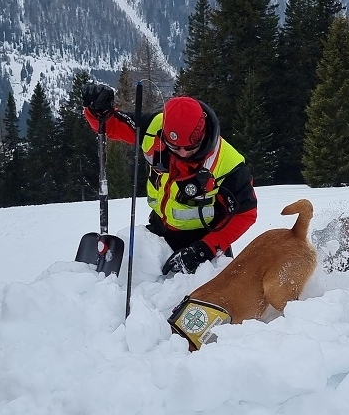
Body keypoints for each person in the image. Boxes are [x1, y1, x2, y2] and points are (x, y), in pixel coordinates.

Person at [81, 83, 258, 276]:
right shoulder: (153, 127)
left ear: (203, 133)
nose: (182, 153)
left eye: (190, 148)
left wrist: (204, 249)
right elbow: (110, 125)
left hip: (205, 242)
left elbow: (246, 214)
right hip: (159, 232)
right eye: (175, 147)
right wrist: (97, 109)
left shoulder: (228, 165)